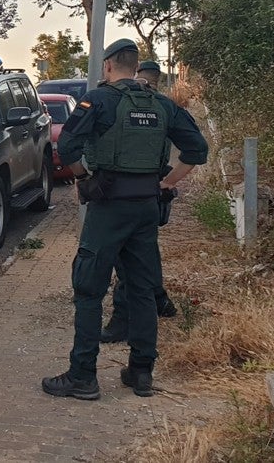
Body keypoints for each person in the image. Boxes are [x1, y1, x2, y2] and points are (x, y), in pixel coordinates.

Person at [42, 39, 207, 400]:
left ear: (109, 66)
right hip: (147, 207)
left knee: (89, 288)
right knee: (142, 288)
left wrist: (84, 179)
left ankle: (83, 376)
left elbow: (67, 147)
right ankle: (141, 372)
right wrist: (166, 182)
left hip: (108, 207)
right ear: (135, 66)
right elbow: (198, 149)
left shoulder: (99, 100)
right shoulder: (163, 105)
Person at [101, 59, 178, 344]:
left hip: (133, 193)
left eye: (152, 82)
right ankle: (159, 301)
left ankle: (125, 319)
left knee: (128, 261)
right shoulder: (157, 105)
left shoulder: (141, 104)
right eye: (147, 81)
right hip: (149, 192)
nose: (149, 86)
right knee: (142, 255)